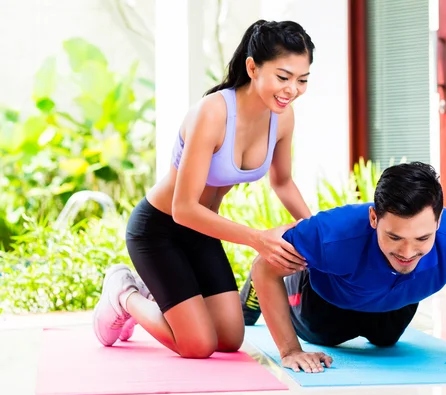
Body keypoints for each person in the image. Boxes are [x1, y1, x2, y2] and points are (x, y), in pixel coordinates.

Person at [92, 19, 316, 359]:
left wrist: (317, 235)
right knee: (197, 345)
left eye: (302, 80)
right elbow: (183, 208)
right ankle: (124, 293)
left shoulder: (282, 117)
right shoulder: (213, 114)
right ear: (252, 68)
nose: (292, 89)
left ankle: (166, 303)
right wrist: (258, 238)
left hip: (200, 230)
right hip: (159, 229)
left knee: (229, 337)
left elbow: (281, 181)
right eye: (283, 77)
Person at [241, 162, 446, 373]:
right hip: (325, 305)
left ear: (438, 222)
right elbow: (265, 266)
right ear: (373, 218)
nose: (407, 252)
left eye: (422, 239)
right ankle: (256, 292)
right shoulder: (332, 232)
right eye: (395, 237)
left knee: (385, 340)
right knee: (320, 330)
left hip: (394, 307)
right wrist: (290, 351)